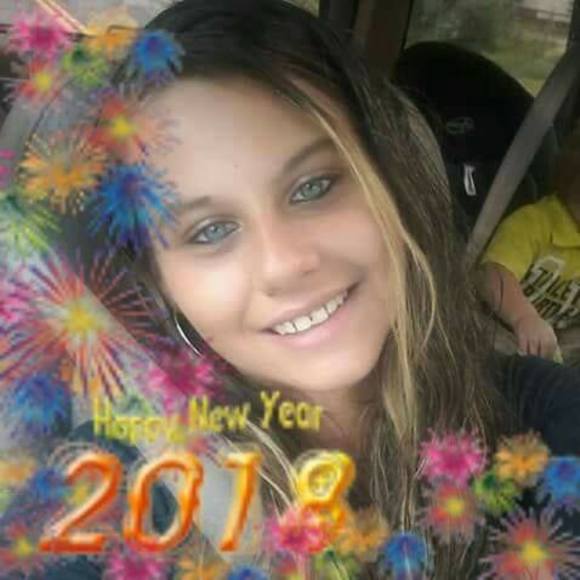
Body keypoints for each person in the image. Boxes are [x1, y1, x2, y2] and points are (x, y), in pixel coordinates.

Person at [1, 1, 579, 579]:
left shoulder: (542, 416)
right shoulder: (109, 492)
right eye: (210, 231)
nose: (283, 265)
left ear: (395, 182)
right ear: (161, 287)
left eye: (313, 187)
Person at [478, 123, 580, 365]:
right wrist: (524, 317)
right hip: (499, 331)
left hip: (558, 346)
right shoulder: (534, 223)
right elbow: (493, 273)